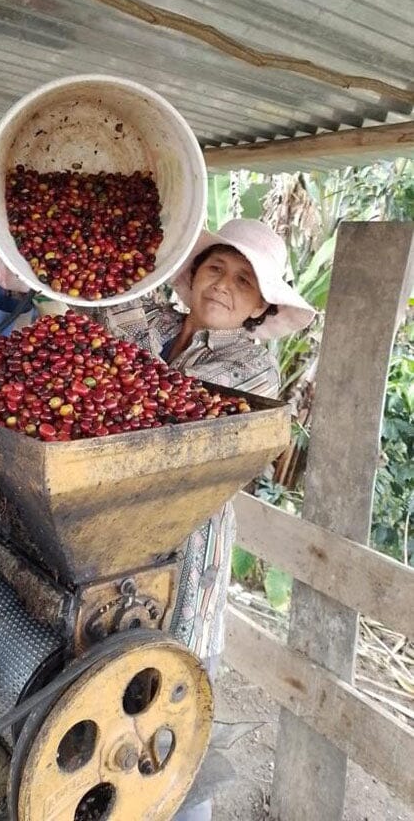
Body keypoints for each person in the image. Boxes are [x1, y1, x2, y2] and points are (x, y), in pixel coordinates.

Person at [98, 217, 314, 820]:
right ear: (191, 275)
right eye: (215, 268)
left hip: (188, 553)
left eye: (244, 281)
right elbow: (96, 364)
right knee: (107, 693)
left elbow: (154, 410)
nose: (224, 284)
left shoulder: (254, 373)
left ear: (258, 307)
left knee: (175, 712)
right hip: (109, 534)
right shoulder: (157, 322)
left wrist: (120, 327)